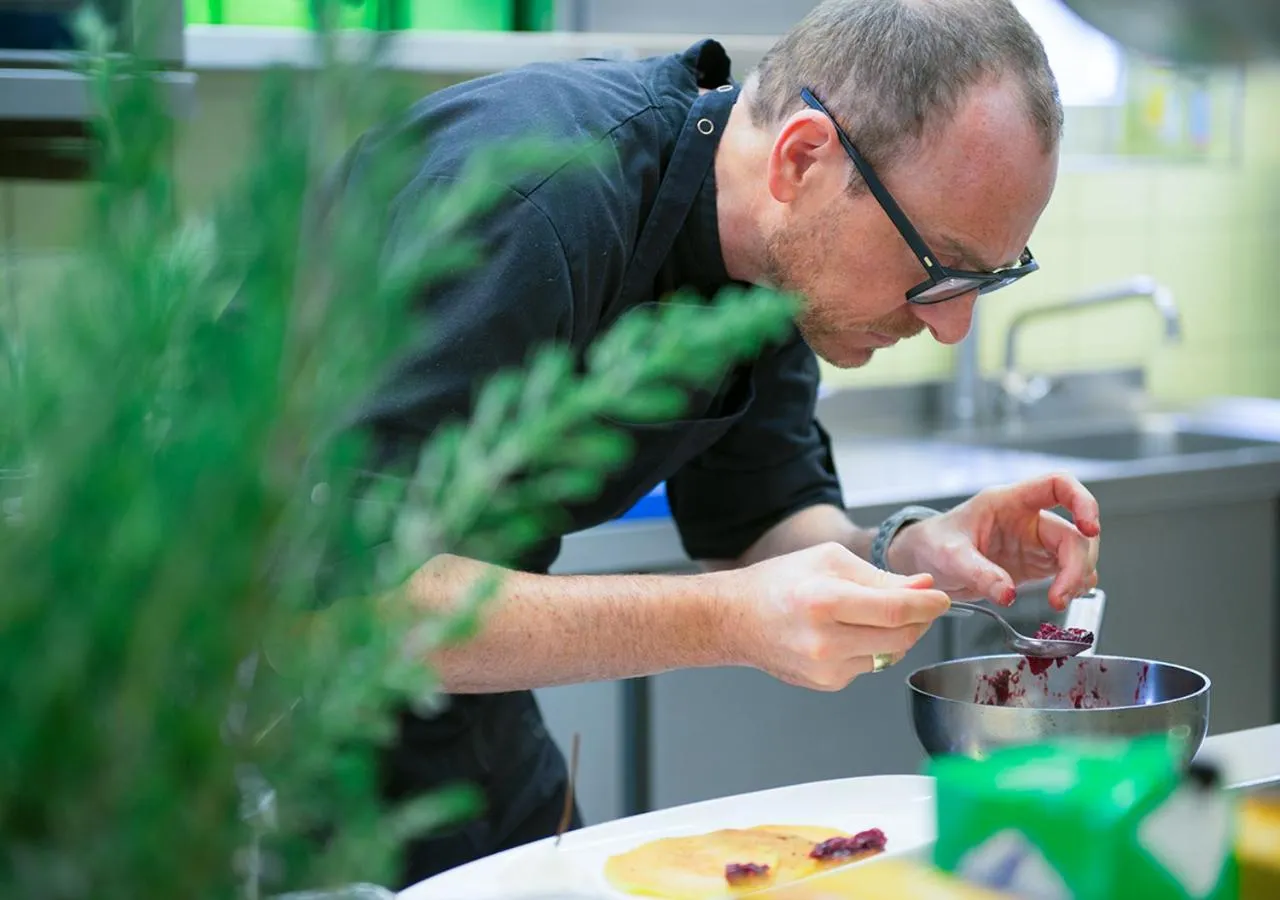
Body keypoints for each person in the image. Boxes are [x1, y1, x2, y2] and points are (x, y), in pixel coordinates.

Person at [344, 0, 1103, 886]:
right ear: (804, 157)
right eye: (939, 267)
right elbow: (347, 605)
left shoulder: (777, 266)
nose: (952, 329)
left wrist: (904, 552)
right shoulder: (531, 203)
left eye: (990, 280)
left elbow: (763, 517)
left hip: (452, 711)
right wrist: (728, 618)